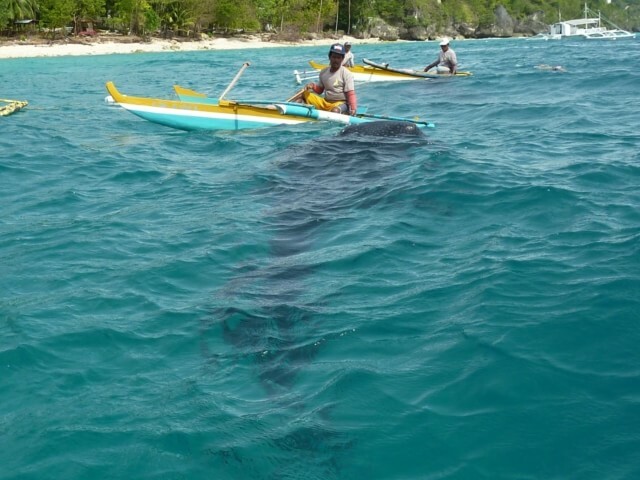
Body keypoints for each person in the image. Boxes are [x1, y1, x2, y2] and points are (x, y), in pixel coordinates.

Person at [302, 43, 357, 116]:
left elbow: (350, 94)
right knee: (303, 94)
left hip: (340, 103)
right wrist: (312, 86)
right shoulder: (323, 72)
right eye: (334, 57)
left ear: (342, 59)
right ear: (329, 57)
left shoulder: (346, 74)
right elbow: (320, 90)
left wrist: (353, 108)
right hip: (326, 102)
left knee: (335, 111)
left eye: (338, 58)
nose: (336, 60)